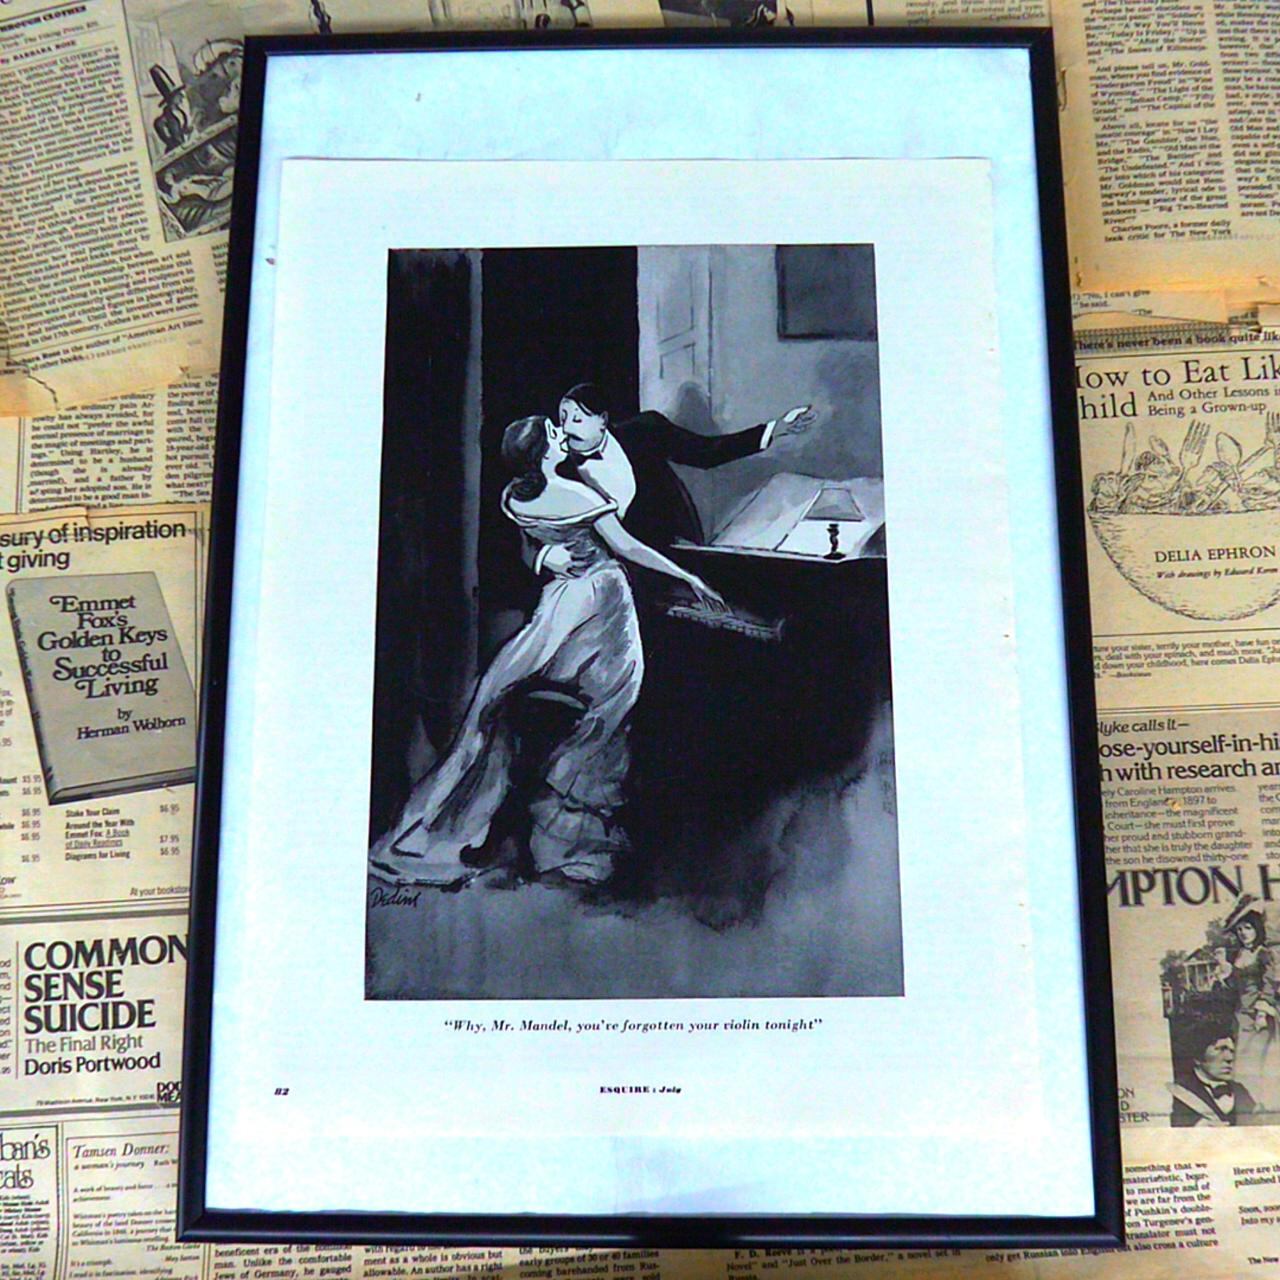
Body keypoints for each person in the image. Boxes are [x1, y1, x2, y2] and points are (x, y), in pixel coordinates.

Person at [369, 415, 727, 890]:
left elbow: (527, 545)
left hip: (560, 603)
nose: (563, 432)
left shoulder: (515, 496)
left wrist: (543, 556)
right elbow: (627, 548)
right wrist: (686, 576)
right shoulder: (580, 496)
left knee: (499, 692)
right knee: (615, 696)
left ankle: (499, 825)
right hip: (601, 604)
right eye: (555, 433)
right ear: (543, 453)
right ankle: (569, 838)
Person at [546, 382, 816, 559]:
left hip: (670, 551)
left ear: (602, 420)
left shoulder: (645, 431)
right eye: (563, 418)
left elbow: (707, 452)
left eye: (577, 419)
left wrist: (775, 429)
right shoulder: (560, 468)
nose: (567, 428)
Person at [1225, 902, 1280, 1110]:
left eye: (1247, 928)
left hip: (1258, 1014)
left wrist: (1261, 1013)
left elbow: (1269, 983)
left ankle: (1262, 1102)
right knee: (1242, 1059)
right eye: (1239, 929)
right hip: (1241, 1014)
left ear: (1256, 929)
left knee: (1257, 1059)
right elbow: (1236, 986)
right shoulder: (1239, 955)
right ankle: (1248, 1103)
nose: (1243, 933)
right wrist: (1225, 975)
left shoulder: (1264, 953)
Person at [1170, 1025, 1259, 1126]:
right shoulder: (1178, 1093)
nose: (1230, 1058)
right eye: (1221, 1049)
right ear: (1197, 1057)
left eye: (1232, 1051)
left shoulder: (1240, 1091)